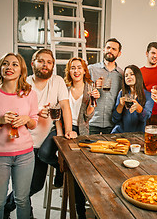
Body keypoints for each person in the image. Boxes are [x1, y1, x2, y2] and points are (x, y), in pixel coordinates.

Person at [4, 49, 77, 218]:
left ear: (53, 65)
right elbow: (15, 111)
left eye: (49, 62)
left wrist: (68, 130)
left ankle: (7, 208)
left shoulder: (57, 81)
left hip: (45, 140)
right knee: (27, 186)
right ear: (33, 63)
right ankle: (9, 210)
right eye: (41, 61)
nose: (45, 65)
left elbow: (65, 106)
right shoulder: (23, 83)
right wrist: (36, 112)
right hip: (25, 142)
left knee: (36, 185)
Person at [0, 53, 39, 219]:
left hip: (25, 156)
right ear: (1, 68)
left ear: (21, 71)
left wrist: (27, 120)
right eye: (5, 64)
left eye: (14, 64)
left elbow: (35, 122)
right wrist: (0, 121)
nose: (9, 67)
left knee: (23, 200)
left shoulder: (30, 94)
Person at [39, 57, 100, 218]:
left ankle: (79, 211)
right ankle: (61, 170)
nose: (76, 71)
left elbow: (88, 117)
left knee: (77, 171)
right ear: (69, 71)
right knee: (44, 153)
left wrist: (93, 103)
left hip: (80, 130)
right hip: (61, 126)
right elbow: (56, 113)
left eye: (79, 68)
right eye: (73, 68)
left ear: (84, 70)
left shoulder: (90, 88)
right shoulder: (64, 87)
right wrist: (60, 133)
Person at [88, 38, 124, 134]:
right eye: (108, 47)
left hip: (111, 125)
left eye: (114, 49)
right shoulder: (91, 69)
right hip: (92, 123)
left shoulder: (122, 74)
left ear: (119, 53)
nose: (110, 51)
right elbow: (81, 93)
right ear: (104, 49)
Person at [112, 65, 154, 133]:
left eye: (132, 74)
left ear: (138, 76)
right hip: (119, 133)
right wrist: (120, 105)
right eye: (126, 75)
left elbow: (145, 117)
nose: (128, 77)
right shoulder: (122, 93)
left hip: (138, 135)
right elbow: (115, 119)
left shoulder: (148, 95)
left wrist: (138, 108)